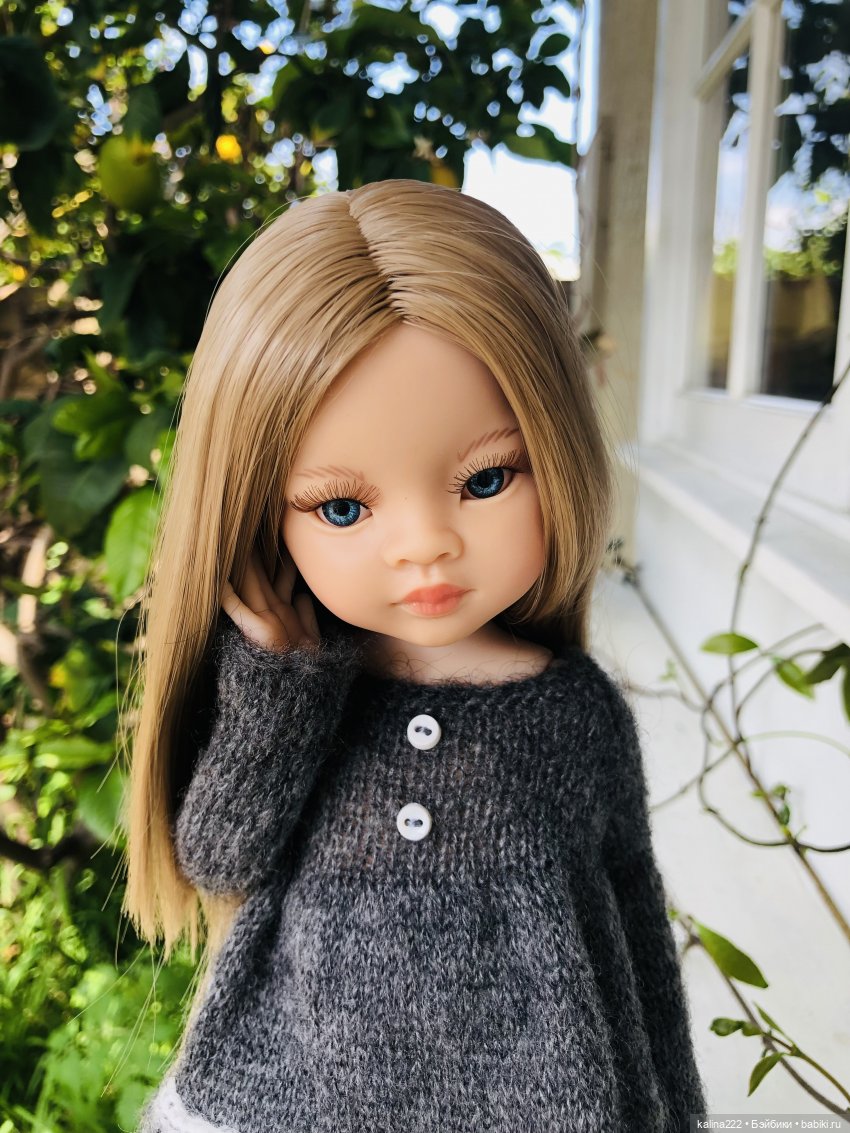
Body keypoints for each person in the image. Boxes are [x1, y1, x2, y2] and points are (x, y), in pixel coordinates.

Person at [125, 179, 707, 1132]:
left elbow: (633, 934)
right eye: (342, 506)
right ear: (260, 515)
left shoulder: (570, 711)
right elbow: (220, 855)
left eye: (486, 479)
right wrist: (278, 689)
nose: (425, 545)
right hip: (286, 1098)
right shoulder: (308, 697)